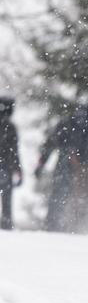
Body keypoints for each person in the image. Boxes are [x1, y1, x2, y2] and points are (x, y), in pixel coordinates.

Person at [35, 98, 88, 232]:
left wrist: (41, 164)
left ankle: (55, 225)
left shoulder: (72, 122)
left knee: (62, 194)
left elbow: (50, 144)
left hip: (74, 166)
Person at [0, 97, 22, 230]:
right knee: (7, 198)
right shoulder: (10, 127)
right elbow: (14, 151)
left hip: (6, 166)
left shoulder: (10, 127)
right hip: (6, 167)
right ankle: (7, 223)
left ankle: (7, 222)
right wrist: (18, 170)